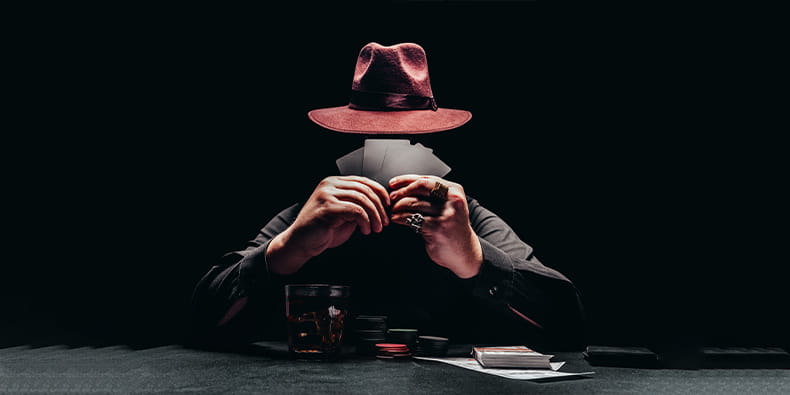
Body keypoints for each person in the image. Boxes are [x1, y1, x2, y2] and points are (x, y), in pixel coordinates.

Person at [189, 42, 585, 351]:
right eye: (372, 134)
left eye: (402, 136)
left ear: (426, 140)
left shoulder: (465, 217)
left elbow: (569, 325)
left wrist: (476, 260)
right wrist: (286, 249)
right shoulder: (312, 212)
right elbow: (197, 320)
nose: (386, 152)